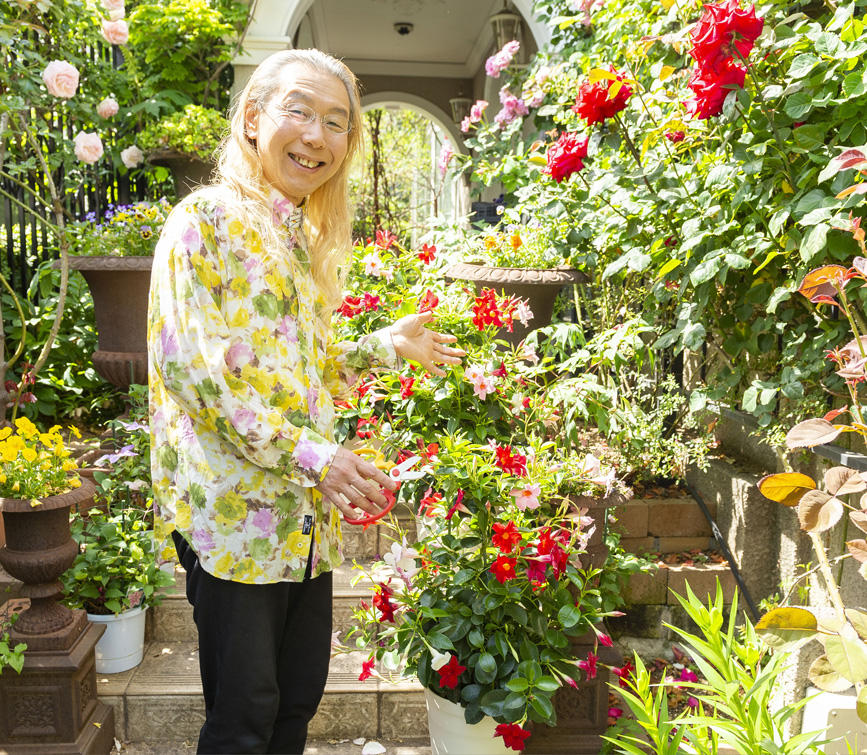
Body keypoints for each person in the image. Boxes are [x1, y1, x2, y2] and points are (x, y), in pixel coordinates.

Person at [147, 48, 465, 755]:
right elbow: (196, 373)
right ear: (255, 118)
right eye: (299, 110)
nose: (316, 135)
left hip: (300, 527)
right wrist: (316, 456)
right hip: (234, 527)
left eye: (336, 121)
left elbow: (297, 368)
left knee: (294, 704)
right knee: (244, 719)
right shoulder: (204, 222)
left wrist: (384, 344)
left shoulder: (293, 236)